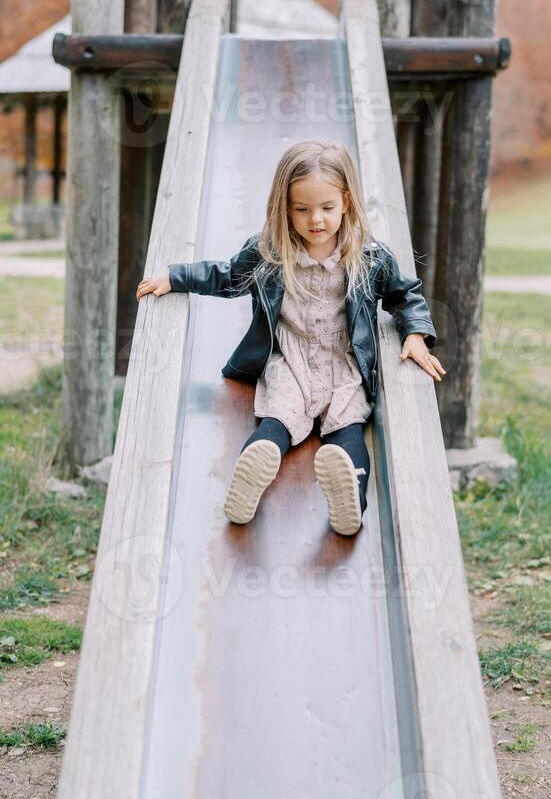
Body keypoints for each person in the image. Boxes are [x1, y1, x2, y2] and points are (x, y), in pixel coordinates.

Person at [136, 139, 446, 536]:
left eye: (327, 208)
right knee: (276, 422)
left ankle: (349, 494)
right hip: (289, 361)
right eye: (301, 209)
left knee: (348, 428)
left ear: (346, 202)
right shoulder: (270, 251)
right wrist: (174, 277)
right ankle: (252, 471)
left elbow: (405, 295)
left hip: (344, 365)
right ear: (285, 208)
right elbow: (228, 276)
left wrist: (416, 334)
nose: (315, 219)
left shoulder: (369, 256)